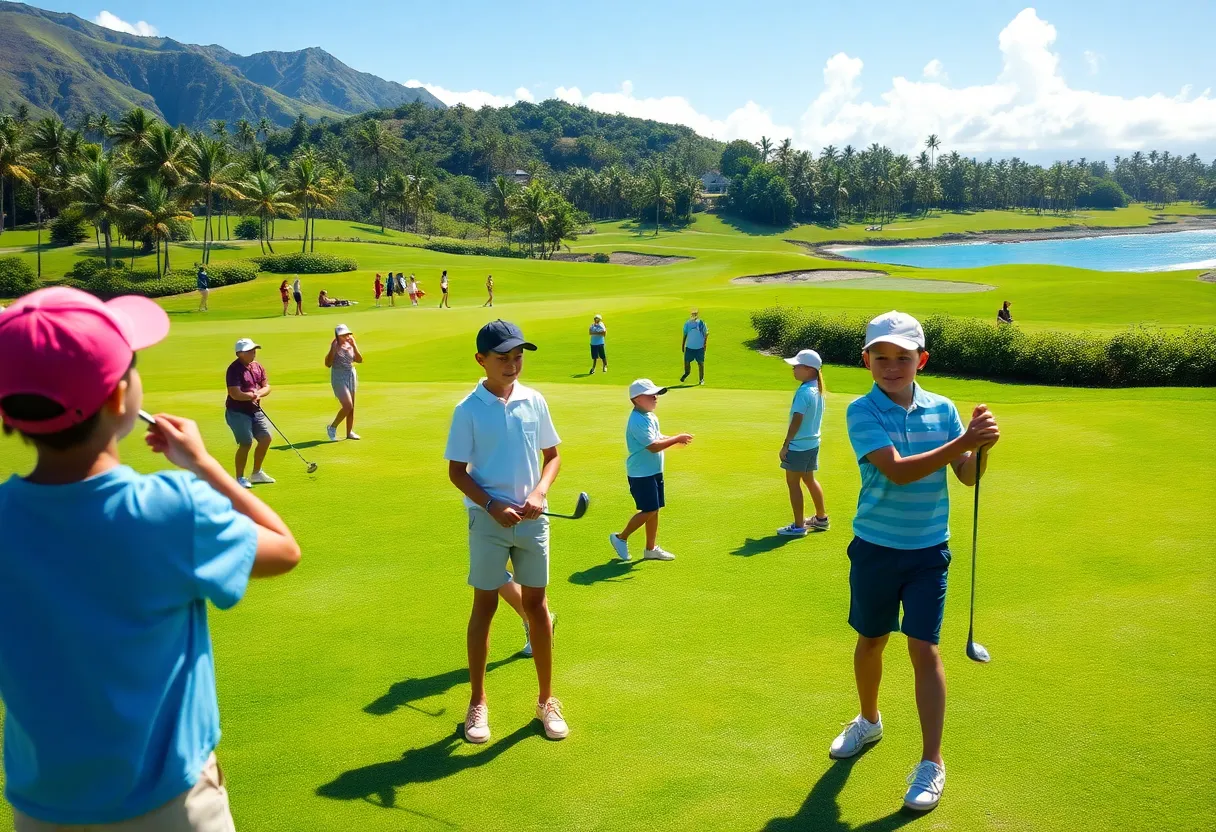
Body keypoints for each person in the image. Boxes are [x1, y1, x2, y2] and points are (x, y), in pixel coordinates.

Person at [0, 287, 300, 831]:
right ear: (120, 399)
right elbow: (283, 549)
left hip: (41, 807)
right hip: (171, 804)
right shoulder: (170, 508)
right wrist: (203, 464)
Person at [828, 310, 1000, 813]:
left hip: (928, 550)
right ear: (866, 360)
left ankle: (932, 761)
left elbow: (967, 476)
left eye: (902, 357)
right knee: (872, 639)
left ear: (920, 360)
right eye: (880, 356)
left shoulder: (943, 409)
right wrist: (964, 442)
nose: (891, 366)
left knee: (924, 648)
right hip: (876, 547)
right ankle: (868, 721)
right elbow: (898, 471)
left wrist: (982, 446)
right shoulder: (862, 411)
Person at [444, 320, 568, 743]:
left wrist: (539, 491)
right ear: (481, 360)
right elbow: (457, 472)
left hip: (533, 520)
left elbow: (553, 456)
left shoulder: (534, 400)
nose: (512, 364)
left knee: (537, 606)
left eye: (518, 357)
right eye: (503, 358)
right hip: (488, 521)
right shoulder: (468, 409)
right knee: (484, 606)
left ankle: (546, 700)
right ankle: (477, 702)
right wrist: (491, 505)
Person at [608, 379, 693, 562]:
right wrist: (676, 438)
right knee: (649, 509)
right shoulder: (637, 420)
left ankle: (651, 549)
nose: (655, 397)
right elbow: (653, 446)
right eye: (651, 395)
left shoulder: (650, 416)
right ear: (637, 399)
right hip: (641, 474)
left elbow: (658, 437)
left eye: (656, 394)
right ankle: (620, 538)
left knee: (655, 510)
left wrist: (673, 439)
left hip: (653, 471)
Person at [777, 349, 830, 536]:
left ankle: (799, 526)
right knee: (808, 479)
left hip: (799, 446)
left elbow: (797, 419)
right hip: (812, 444)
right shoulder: (818, 390)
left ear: (808, 369)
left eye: (796, 366)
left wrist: (786, 444)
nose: (793, 369)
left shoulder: (804, 392)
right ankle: (821, 519)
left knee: (793, 484)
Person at [225, 337, 274, 489]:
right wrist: (251, 396)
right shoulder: (234, 369)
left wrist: (258, 394)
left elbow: (267, 386)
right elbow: (235, 394)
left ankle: (256, 473)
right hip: (237, 412)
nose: (253, 353)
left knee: (265, 438)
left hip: (255, 410)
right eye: (249, 351)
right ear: (239, 354)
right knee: (246, 442)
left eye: (253, 350)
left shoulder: (257, 367)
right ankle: (240, 477)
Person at [325, 324, 363, 441]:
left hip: (350, 375)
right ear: (337, 336)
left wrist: (354, 345)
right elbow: (328, 364)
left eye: (347, 334)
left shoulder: (350, 344)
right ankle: (332, 427)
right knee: (348, 405)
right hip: (338, 376)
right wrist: (333, 349)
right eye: (343, 335)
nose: (346, 337)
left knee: (351, 407)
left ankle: (349, 432)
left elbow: (359, 360)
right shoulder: (335, 346)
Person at [680, 309, 709, 385]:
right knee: (687, 362)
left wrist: (705, 344)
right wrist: (683, 345)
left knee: (701, 363)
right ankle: (687, 373)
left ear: (697, 315)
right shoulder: (687, 324)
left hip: (699, 348)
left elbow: (706, 333)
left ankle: (701, 379)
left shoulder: (701, 323)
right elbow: (685, 334)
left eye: (695, 314)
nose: (694, 315)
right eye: (692, 314)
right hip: (689, 347)